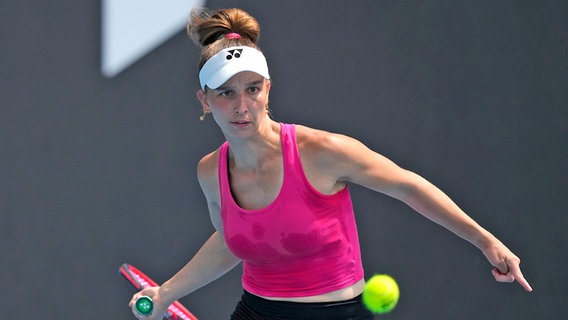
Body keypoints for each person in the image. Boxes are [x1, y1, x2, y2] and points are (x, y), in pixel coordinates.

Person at [129, 7, 532, 320]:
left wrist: (484, 240)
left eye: (252, 89)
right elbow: (232, 243)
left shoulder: (321, 151)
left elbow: (408, 187)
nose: (242, 106)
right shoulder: (209, 172)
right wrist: (167, 293)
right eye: (225, 94)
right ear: (204, 100)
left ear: (268, 88)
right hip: (258, 310)